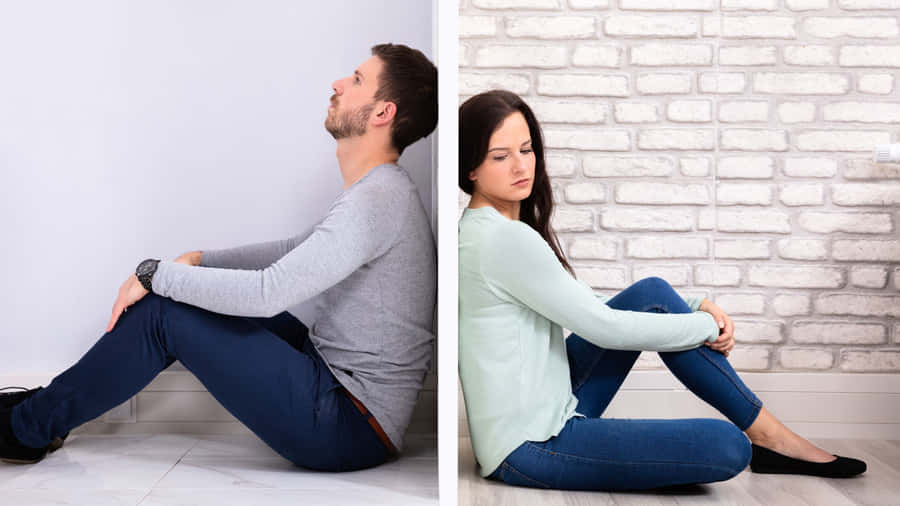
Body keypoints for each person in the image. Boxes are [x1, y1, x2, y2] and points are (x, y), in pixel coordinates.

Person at [0, 43, 437, 472]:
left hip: (348, 425)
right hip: (335, 388)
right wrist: (201, 260)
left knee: (164, 312)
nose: (338, 83)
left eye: (357, 79)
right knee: (182, 297)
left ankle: (27, 428)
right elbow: (295, 251)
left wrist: (155, 275)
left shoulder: (378, 198)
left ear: (383, 113)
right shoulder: (379, 191)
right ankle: (40, 410)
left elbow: (268, 293)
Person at [457, 89, 866, 491]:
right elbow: (603, 327)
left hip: (546, 410)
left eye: (526, 150)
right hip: (532, 445)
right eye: (500, 156)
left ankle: (774, 439)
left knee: (651, 293)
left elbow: (580, 301)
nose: (520, 166)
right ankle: (768, 439)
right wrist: (703, 326)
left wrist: (690, 306)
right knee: (728, 447)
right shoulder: (503, 240)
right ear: (471, 168)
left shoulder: (491, 231)